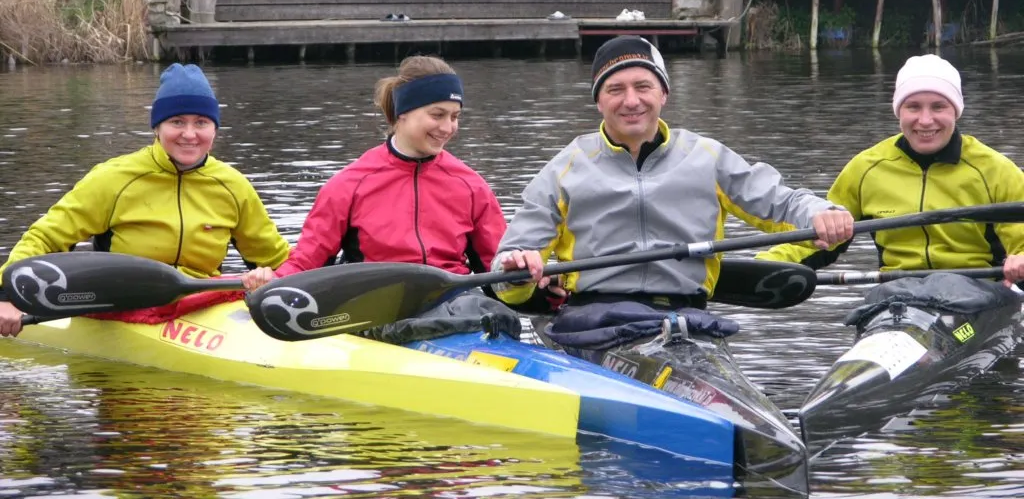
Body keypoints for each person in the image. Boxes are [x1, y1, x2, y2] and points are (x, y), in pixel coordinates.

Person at [490, 35, 853, 310]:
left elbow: (784, 205)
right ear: (599, 101)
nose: (631, 101)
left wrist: (822, 214)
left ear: (663, 93)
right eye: (615, 89)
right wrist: (519, 267)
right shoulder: (563, 169)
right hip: (592, 319)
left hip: (687, 319)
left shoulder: (707, 156)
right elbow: (507, 279)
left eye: (643, 86)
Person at [0, 63, 291, 338]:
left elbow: (277, 258)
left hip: (202, 302)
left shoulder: (233, 185)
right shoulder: (114, 178)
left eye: (201, 122)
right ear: (157, 127)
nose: (189, 134)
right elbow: (46, 237)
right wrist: (8, 296)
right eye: (177, 121)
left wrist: (280, 281)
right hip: (121, 303)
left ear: (214, 128)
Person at [241, 55, 508, 291]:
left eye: (455, 116)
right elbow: (308, 262)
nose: (448, 127)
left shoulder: (472, 186)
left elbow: (497, 269)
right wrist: (272, 281)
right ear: (402, 113)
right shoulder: (350, 184)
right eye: (437, 115)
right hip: (373, 306)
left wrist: (532, 282)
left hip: (455, 301)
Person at [757, 54, 1024, 284]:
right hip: (896, 293)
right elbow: (815, 239)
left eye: (939, 107)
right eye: (913, 107)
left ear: (956, 111)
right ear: (899, 112)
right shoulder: (866, 168)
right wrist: (763, 266)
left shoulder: (995, 170)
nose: (926, 120)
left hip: (980, 294)